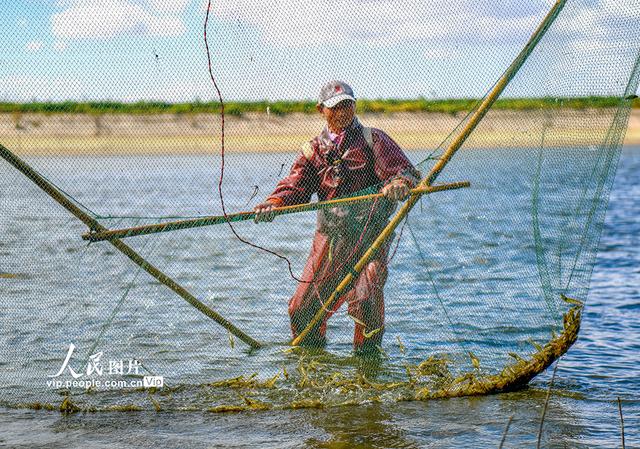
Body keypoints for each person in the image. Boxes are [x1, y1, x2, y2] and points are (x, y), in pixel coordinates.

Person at [254, 80, 421, 353]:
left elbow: (406, 172)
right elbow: (295, 188)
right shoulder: (313, 150)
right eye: (336, 107)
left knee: (366, 297)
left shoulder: (373, 139)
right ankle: (312, 363)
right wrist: (274, 203)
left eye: (348, 105)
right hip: (330, 240)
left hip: (370, 237)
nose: (344, 111)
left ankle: (368, 367)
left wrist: (399, 183)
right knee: (301, 308)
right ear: (321, 110)